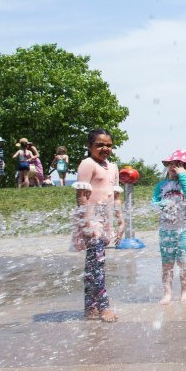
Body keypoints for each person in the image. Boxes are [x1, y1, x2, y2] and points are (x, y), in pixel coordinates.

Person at [71, 129, 124, 322]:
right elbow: (81, 197)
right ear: (89, 146)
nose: (105, 149)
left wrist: (121, 221)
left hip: (105, 220)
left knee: (93, 265)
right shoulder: (87, 164)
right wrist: (86, 224)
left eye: (108, 145)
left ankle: (89, 308)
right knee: (97, 265)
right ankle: (103, 308)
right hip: (91, 220)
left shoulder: (113, 167)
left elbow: (115, 197)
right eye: (99, 145)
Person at [153, 150, 186, 304]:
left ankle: (185, 292)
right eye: (172, 164)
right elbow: (154, 203)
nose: (174, 167)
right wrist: (161, 205)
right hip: (166, 229)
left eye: (179, 164)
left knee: (184, 263)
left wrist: (183, 176)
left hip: (184, 229)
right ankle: (167, 293)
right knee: (167, 264)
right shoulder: (161, 185)